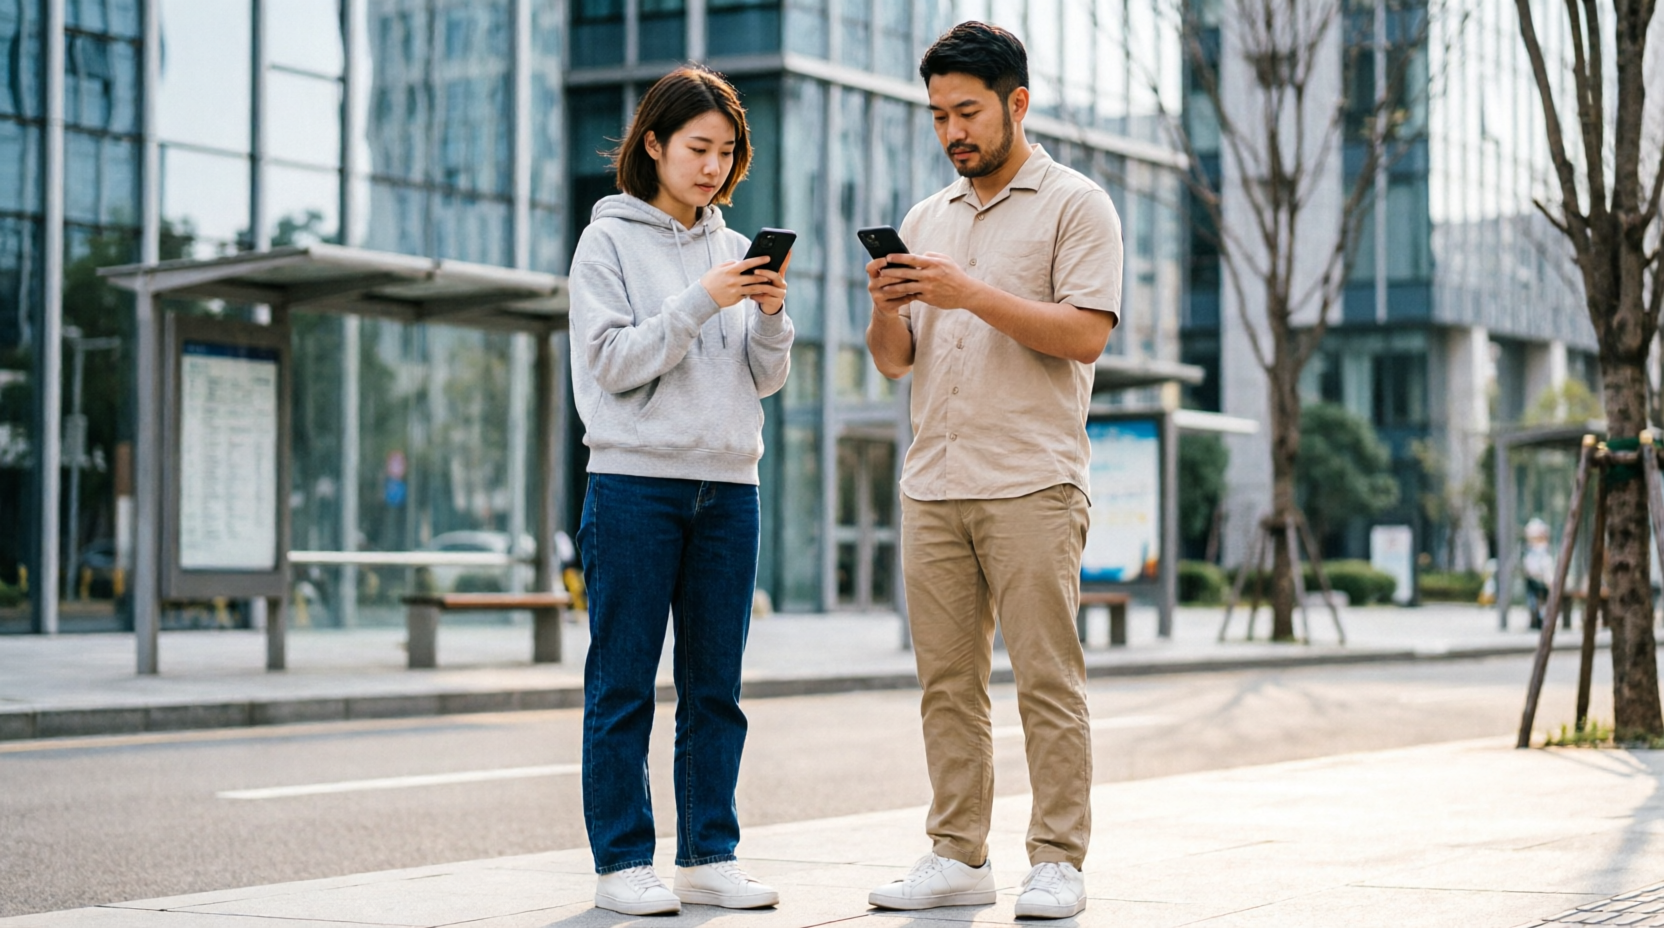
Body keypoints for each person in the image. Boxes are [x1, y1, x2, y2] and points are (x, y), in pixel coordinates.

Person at [863, 21, 1123, 921]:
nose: (951, 132)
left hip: (1033, 482)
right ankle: (956, 855)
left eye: (966, 112)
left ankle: (1057, 859)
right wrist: (887, 308)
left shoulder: (1078, 206)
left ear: (1016, 103)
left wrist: (967, 291)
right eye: (938, 116)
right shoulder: (927, 219)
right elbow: (895, 362)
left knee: (1048, 679)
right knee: (947, 686)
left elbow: (1085, 333)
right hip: (933, 481)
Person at [567, 65, 792, 917]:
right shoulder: (607, 243)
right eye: (698, 148)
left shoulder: (736, 251)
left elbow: (763, 379)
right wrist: (700, 302)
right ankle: (623, 861)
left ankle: (709, 854)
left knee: (715, 688)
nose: (712, 167)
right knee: (622, 682)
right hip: (634, 484)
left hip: (730, 487)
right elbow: (611, 365)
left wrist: (770, 313)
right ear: (653, 144)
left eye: (727, 152)